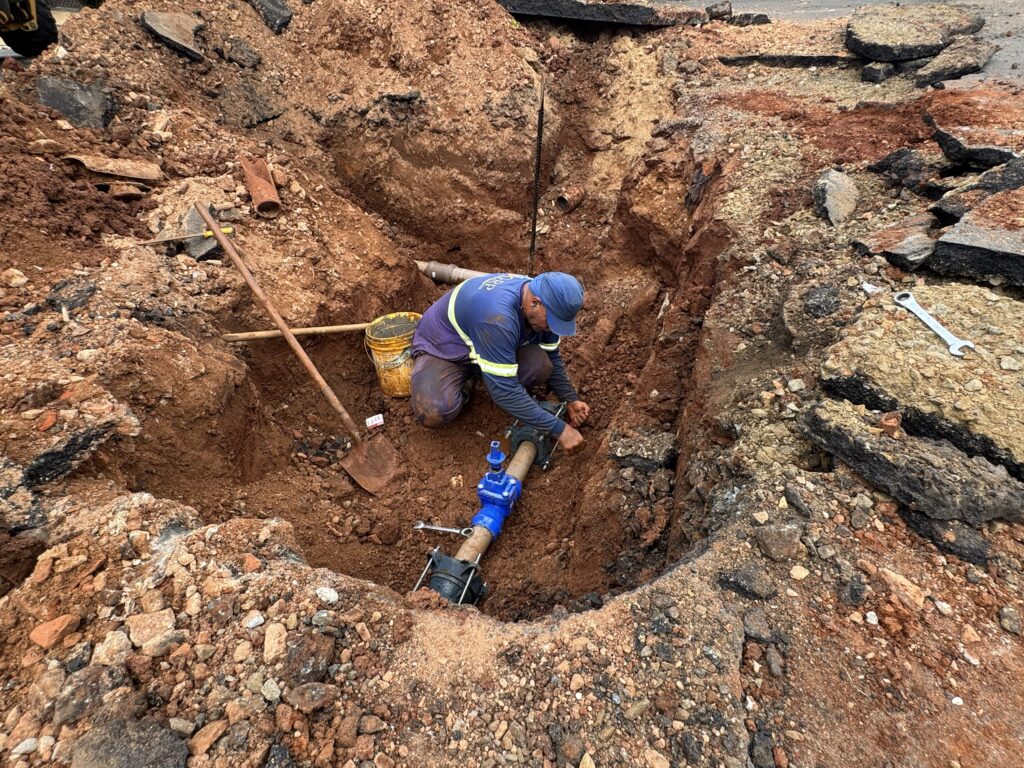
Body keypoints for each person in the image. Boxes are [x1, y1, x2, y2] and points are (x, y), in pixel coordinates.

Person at [409, 271, 591, 451]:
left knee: (540, 366)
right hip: (444, 348)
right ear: (534, 303)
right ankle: (469, 380)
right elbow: (504, 392)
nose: (552, 328)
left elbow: (551, 354)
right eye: (552, 321)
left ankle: (489, 369)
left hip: (488, 342)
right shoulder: (497, 318)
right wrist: (559, 429)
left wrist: (570, 399)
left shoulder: (542, 296)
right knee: (433, 410)